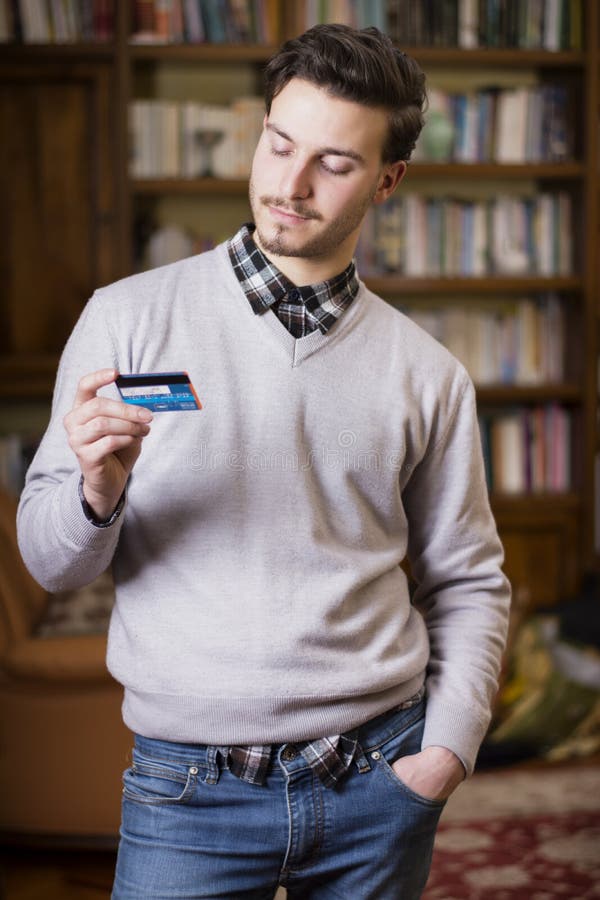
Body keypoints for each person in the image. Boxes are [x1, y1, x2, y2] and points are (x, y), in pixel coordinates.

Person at [17, 23, 511, 900]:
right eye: (279, 144)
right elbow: (52, 563)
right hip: (186, 793)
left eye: (334, 162)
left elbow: (468, 582)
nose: (289, 184)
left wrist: (445, 754)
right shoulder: (125, 319)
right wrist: (97, 490)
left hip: (378, 780)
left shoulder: (430, 374)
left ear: (388, 181)